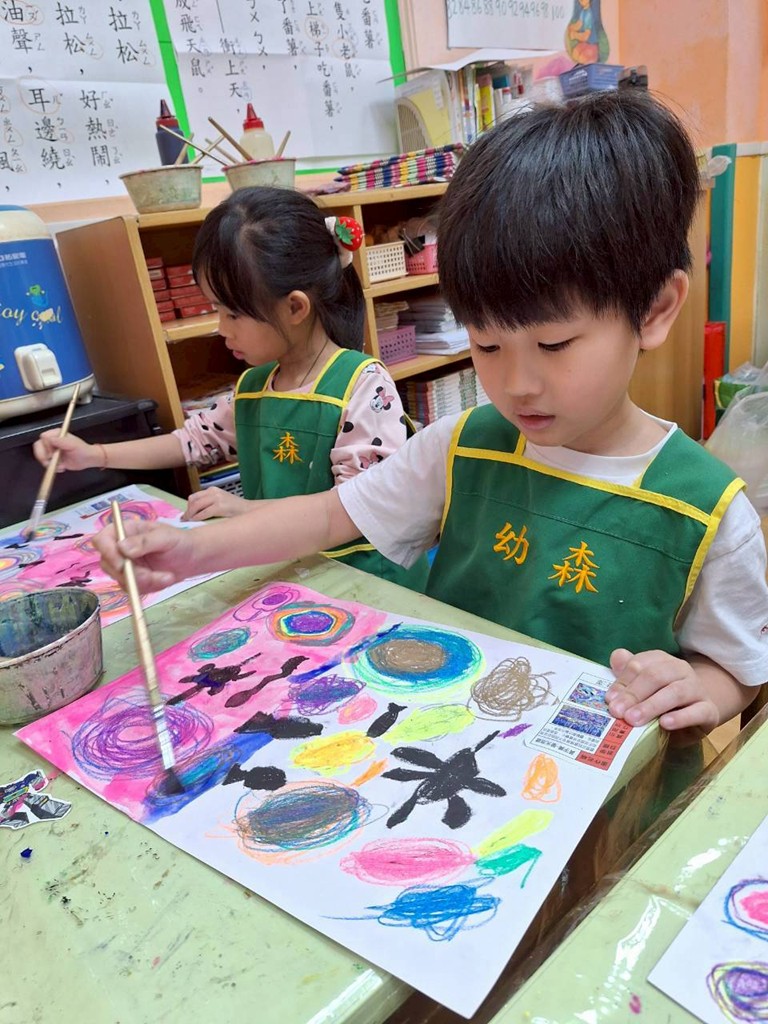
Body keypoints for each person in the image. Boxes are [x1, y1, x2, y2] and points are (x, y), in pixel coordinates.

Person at [94, 91, 768, 737]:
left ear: (653, 310)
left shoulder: (708, 510)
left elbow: (736, 671)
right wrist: (192, 551)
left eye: (554, 345)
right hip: (454, 741)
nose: (516, 385)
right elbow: (328, 517)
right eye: (486, 345)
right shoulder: (460, 447)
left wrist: (699, 691)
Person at [34, 186, 428, 591]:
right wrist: (94, 454)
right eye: (215, 310)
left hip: (362, 582)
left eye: (232, 314)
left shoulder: (362, 384)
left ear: (295, 307)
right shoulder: (254, 387)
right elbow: (191, 441)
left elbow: (353, 508)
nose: (221, 329)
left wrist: (244, 510)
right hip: (288, 572)